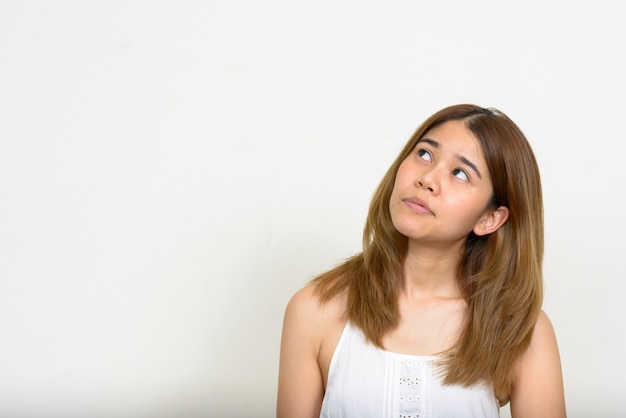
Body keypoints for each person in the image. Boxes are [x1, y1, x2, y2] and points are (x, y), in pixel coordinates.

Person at [276, 104, 566, 418]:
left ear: (490, 218)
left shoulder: (523, 331)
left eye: (460, 173)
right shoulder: (315, 309)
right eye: (425, 154)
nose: (427, 179)